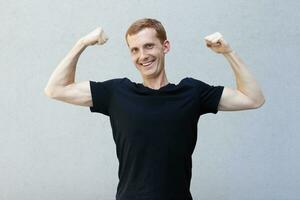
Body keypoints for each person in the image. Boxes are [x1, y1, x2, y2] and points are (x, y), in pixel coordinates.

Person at [44, 18, 265, 200]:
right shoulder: (117, 93)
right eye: (135, 50)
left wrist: (228, 51)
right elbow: (56, 89)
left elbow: (252, 99)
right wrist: (82, 43)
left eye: (149, 46)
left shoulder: (191, 92)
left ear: (165, 46)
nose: (142, 56)